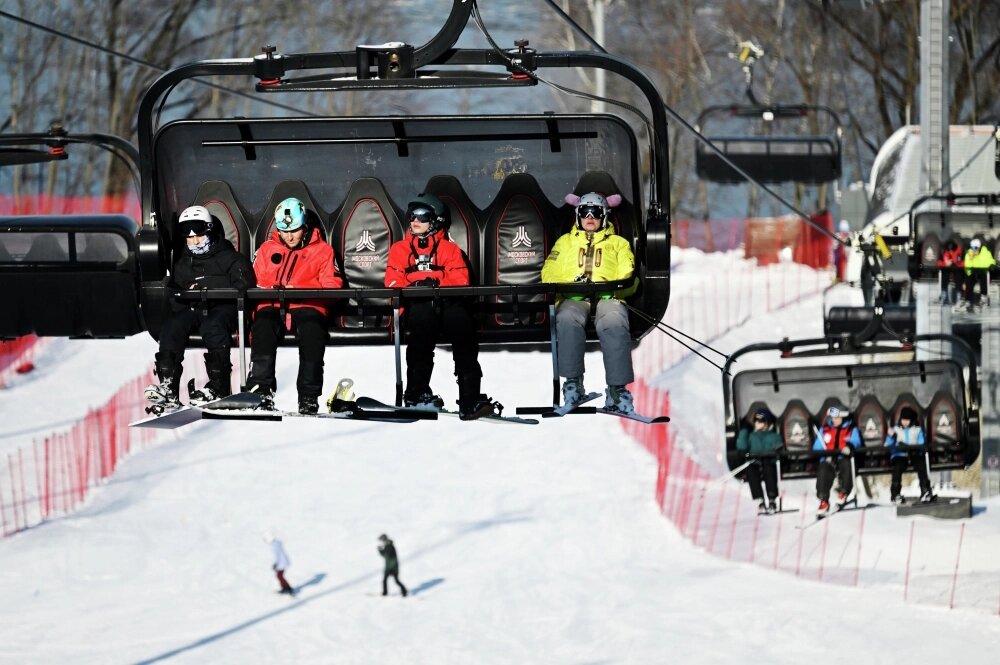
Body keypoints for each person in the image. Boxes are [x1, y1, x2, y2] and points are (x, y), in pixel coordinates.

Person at [384, 193, 497, 420]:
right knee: (421, 327)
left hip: (448, 303)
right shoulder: (400, 249)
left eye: (422, 216)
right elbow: (393, 282)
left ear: (436, 221)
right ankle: (416, 393)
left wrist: (430, 282)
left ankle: (469, 398)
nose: (415, 220)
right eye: (412, 215)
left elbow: (460, 280)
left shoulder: (450, 250)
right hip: (418, 305)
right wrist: (421, 284)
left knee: (463, 326)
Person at [144, 205, 255, 413]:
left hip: (225, 307)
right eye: (190, 238)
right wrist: (188, 295)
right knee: (172, 327)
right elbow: (177, 296)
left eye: (199, 236)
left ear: (210, 232)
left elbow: (244, 284)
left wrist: (207, 287)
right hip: (195, 308)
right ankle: (168, 386)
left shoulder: (231, 258)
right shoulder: (184, 264)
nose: (195, 242)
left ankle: (219, 387)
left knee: (213, 327)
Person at [541, 192, 638, 413]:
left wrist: (611, 284)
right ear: (578, 215)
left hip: (608, 296)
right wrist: (567, 285)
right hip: (574, 296)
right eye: (585, 212)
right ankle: (573, 384)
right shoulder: (565, 242)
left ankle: (617, 390)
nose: (590, 217)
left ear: (605, 216)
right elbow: (549, 271)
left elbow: (627, 270)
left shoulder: (618, 243)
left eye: (596, 212)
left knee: (614, 321)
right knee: (566, 319)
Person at [245, 197, 342, 415]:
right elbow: (253, 281)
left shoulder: (323, 251)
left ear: (305, 226)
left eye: (295, 230)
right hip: (271, 304)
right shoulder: (266, 249)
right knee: (263, 327)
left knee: (312, 332)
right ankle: (260, 391)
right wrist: (271, 290)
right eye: (284, 230)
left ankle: (308, 396)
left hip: (308, 305)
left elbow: (333, 285)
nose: (289, 236)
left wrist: (299, 289)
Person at [812, 404, 862, 515]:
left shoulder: (851, 429)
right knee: (823, 469)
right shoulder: (825, 430)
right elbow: (817, 446)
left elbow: (856, 441)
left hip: (843, 457)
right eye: (832, 418)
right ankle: (824, 499)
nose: (833, 420)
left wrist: (849, 447)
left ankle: (844, 492)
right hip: (829, 459)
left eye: (836, 418)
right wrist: (824, 454)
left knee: (847, 466)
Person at [736, 408, 783, 514]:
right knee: (751, 469)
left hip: (768, 461)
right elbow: (742, 447)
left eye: (760, 421)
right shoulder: (751, 436)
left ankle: (772, 499)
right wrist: (744, 431)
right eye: (755, 421)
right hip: (754, 461)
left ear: (767, 423)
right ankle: (760, 500)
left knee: (768, 469)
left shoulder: (773, 436)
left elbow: (778, 447)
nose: (757, 423)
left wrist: (774, 451)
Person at [885, 406, 935, 504]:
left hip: (914, 454)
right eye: (903, 419)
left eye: (907, 420)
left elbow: (921, 443)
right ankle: (895, 494)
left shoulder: (917, 430)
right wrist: (891, 437)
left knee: (921, 465)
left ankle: (925, 490)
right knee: (897, 468)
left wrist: (915, 449)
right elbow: (887, 445)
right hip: (900, 455)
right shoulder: (895, 430)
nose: (905, 422)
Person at [955, 238, 995, 312]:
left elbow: (991, 261)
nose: (974, 250)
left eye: (975, 248)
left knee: (984, 276)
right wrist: (967, 279)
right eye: (972, 248)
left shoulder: (985, 252)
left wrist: (991, 265)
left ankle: (983, 298)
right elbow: (968, 267)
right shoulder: (969, 254)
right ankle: (967, 300)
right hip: (974, 272)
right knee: (968, 278)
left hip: (982, 271)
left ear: (979, 247)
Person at [936, 239, 964, 305]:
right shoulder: (944, 251)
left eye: (952, 250)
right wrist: (945, 263)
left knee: (958, 274)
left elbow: (963, 263)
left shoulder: (960, 251)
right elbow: (939, 263)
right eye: (949, 250)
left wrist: (953, 262)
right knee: (944, 273)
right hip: (947, 268)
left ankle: (959, 296)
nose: (951, 251)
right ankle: (944, 294)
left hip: (957, 269)